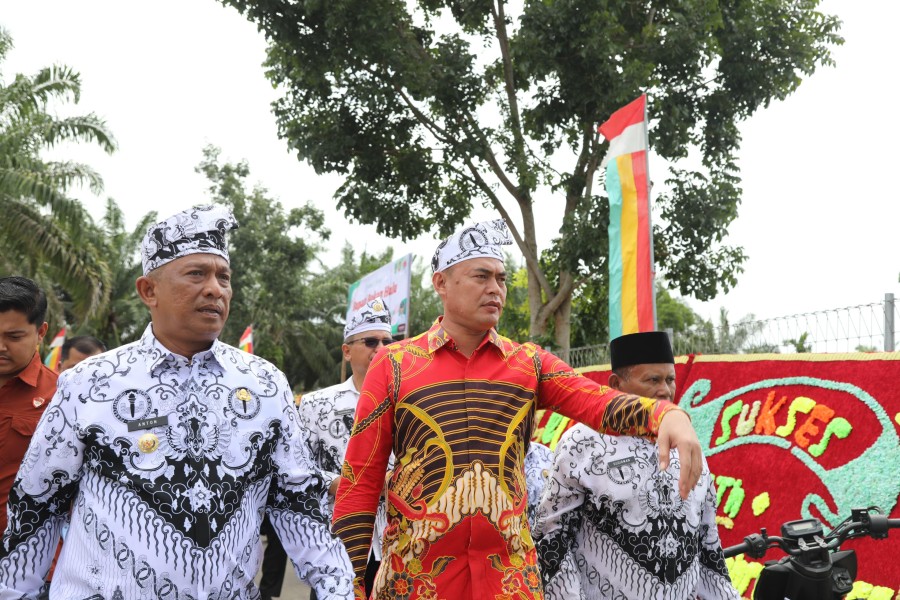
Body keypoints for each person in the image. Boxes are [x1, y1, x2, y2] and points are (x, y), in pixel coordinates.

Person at [331, 219, 702, 599]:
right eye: (481, 276)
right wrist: (349, 584)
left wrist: (666, 415)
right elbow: (360, 482)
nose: (496, 289)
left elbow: (596, 400)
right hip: (416, 581)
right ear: (441, 283)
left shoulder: (528, 364)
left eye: (502, 279)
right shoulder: (394, 365)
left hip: (509, 583)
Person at [0, 205, 353, 599]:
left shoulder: (265, 385)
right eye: (196, 274)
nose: (215, 289)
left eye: (224, 277)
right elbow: (37, 504)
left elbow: (297, 501)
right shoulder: (89, 383)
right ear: (148, 290)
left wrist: (336, 588)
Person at [532, 331, 739, 600]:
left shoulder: (685, 442)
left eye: (670, 379)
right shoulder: (582, 443)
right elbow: (551, 534)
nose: (665, 389)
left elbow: (707, 541)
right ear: (617, 384)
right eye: (653, 380)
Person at [295, 297, 396, 599]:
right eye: (370, 341)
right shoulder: (316, 404)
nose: (380, 348)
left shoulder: (408, 402)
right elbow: (296, 467)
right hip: (337, 543)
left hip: (398, 543)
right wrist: (336, 484)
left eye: (387, 341)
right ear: (347, 351)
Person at [0, 276, 56, 539]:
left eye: (13, 336)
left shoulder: (61, 396)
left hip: (21, 558)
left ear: (41, 332)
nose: (1, 346)